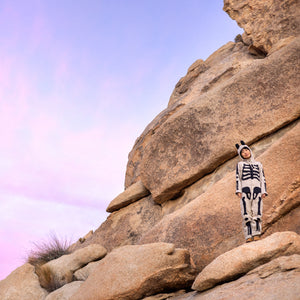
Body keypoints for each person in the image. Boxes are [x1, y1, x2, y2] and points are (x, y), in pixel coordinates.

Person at [235, 141, 267, 243]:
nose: (245, 152)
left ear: (250, 151)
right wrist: (238, 190)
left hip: (257, 191)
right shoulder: (240, 165)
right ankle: (248, 235)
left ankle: (256, 233)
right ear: (241, 155)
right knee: (246, 213)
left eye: (246, 150)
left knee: (257, 212)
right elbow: (238, 178)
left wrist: (263, 191)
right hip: (245, 191)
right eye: (242, 152)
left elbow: (262, 178)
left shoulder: (258, 164)